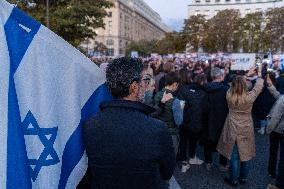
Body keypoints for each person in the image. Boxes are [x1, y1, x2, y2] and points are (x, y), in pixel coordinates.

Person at [83, 57, 175, 189]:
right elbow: (167, 172)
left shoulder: (90, 125)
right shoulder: (157, 129)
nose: (149, 85)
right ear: (134, 86)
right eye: (146, 80)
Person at [217, 70, 264, 187]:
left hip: (231, 125)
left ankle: (233, 179)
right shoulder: (249, 97)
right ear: (244, 85)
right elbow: (259, 86)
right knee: (246, 153)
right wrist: (258, 75)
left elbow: (231, 84)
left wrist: (242, 77)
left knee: (233, 156)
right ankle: (243, 177)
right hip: (246, 127)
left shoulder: (229, 95)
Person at [178, 74, 208, 172]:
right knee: (193, 141)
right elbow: (206, 109)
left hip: (184, 120)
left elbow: (179, 103)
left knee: (183, 141)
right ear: (203, 82)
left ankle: (183, 162)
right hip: (196, 122)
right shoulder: (204, 93)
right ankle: (192, 157)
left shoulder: (184, 89)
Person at [204, 68, 229, 171]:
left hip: (208, 118)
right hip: (222, 118)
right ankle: (223, 164)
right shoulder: (226, 89)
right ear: (221, 76)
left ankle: (208, 162)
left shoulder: (205, 87)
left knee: (208, 141)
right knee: (223, 142)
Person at [154, 72, 184, 155]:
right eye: (177, 85)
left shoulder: (157, 94)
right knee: (169, 160)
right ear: (175, 84)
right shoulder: (176, 101)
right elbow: (179, 121)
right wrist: (181, 109)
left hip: (158, 131)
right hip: (171, 134)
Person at [266, 76, 284, 189]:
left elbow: (275, 117)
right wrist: (270, 86)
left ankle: (278, 183)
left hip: (278, 130)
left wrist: (268, 129)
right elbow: (279, 97)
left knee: (278, 155)